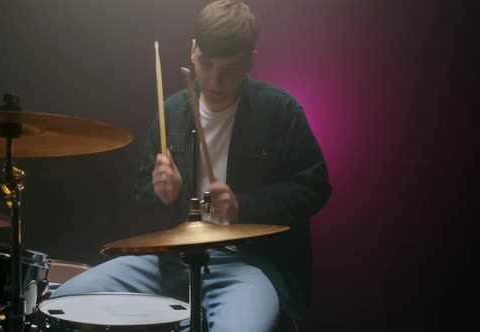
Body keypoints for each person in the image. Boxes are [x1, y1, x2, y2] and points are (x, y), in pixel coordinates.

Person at [52, 0, 331, 331]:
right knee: (66, 302)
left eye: (228, 69)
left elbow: (314, 187)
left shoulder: (280, 110)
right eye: (205, 63)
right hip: (173, 258)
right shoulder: (171, 112)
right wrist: (160, 192)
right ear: (193, 49)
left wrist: (245, 205)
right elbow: (143, 193)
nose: (214, 80)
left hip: (248, 263)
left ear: (250, 62)